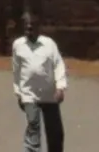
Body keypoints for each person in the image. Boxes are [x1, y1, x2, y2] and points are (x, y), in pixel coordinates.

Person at [12, 20, 68, 152]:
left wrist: (60, 87)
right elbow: (16, 70)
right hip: (29, 94)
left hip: (49, 94)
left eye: (31, 29)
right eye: (26, 29)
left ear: (38, 29)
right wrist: (18, 93)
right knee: (33, 126)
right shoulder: (18, 45)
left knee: (55, 132)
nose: (29, 32)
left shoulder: (49, 44)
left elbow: (58, 64)